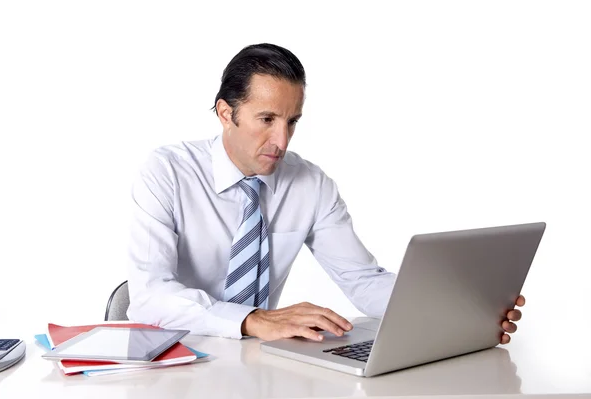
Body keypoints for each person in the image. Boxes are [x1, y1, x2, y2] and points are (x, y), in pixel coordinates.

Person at [126, 43, 524, 342]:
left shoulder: (310, 184)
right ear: (226, 113)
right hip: (174, 355)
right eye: (266, 119)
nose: (281, 140)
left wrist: (455, 309)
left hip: (254, 361)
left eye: (292, 121)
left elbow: (362, 280)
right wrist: (252, 319)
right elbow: (149, 296)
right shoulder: (167, 173)